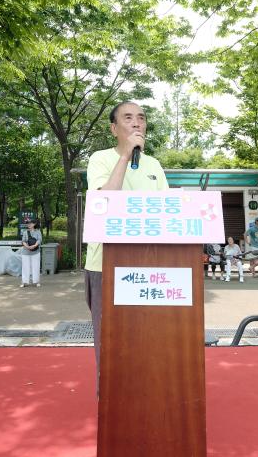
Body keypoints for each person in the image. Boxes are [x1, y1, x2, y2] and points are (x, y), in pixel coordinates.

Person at [84, 101, 168, 375]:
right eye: (128, 118)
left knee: (146, 340)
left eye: (141, 118)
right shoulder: (100, 158)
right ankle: (108, 405)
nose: (136, 123)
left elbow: (167, 213)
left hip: (148, 265)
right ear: (113, 128)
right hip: (105, 266)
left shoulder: (154, 164)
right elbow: (104, 201)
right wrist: (125, 157)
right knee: (109, 342)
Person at [20, 218, 42, 288]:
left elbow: (39, 240)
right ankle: (24, 282)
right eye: (28, 223)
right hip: (26, 252)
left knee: (36, 266)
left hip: (36, 251)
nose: (29, 225)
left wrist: (35, 245)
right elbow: (23, 241)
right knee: (25, 267)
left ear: (34, 224)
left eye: (30, 223)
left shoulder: (38, 231)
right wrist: (28, 247)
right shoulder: (25, 232)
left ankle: (36, 281)